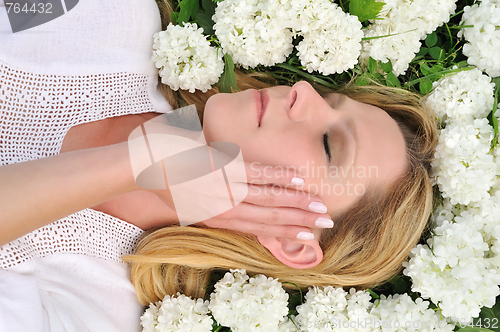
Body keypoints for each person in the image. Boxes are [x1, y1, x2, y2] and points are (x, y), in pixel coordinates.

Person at [0, 0, 437, 330]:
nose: (302, 91)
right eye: (329, 99)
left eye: (328, 144)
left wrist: (141, 162)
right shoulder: (113, 16)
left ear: (294, 242)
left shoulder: (91, 313)